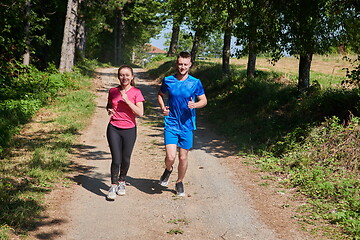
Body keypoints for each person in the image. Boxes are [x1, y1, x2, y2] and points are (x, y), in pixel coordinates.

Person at [157, 51, 207, 196]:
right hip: (171, 123)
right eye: (180, 64)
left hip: (187, 125)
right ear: (176, 64)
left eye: (185, 64)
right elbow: (160, 95)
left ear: (190, 65)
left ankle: (179, 182)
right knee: (171, 157)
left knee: (183, 157)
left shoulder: (195, 82)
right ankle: (168, 169)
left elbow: (204, 100)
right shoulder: (168, 80)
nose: (182, 67)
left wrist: (195, 105)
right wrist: (162, 107)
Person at [106, 65, 144, 200]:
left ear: (132, 77)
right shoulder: (113, 91)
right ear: (118, 77)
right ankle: (113, 185)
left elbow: (140, 113)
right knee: (116, 159)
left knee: (125, 159)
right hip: (114, 128)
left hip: (129, 129)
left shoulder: (136, 92)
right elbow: (109, 105)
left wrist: (127, 100)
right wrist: (110, 110)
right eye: (122, 75)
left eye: (127, 75)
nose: (124, 77)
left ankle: (122, 182)